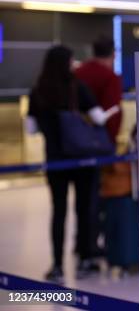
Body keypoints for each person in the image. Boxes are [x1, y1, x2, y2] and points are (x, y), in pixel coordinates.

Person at [28, 46, 117, 283]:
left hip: (55, 160)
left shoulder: (38, 91)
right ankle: (85, 260)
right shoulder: (76, 88)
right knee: (84, 209)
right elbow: (99, 118)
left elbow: (31, 129)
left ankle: (56, 265)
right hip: (81, 159)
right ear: (67, 63)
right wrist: (112, 111)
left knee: (58, 212)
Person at [75, 36, 123, 258]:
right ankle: (93, 245)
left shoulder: (77, 73)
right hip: (100, 146)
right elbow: (112, 113)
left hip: (74, 145)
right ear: (113, 54)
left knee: (81, 198)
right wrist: (110, 145)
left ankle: (81, 242)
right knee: (98, 198)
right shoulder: (110, 77)